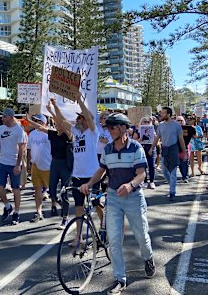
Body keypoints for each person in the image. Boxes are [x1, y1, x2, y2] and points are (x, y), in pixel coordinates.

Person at [80, 113, 155, 294]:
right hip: (113, 197)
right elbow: (101, 170)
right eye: (108, 128)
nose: (109, 131)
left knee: (141, 235)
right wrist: (89, 184)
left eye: (112, 127)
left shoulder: (136, 148)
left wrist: (130, 185)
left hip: (133, 197)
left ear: (123, 128)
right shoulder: (108, 150)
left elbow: (141, 174)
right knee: (113, 240)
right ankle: (119, 279)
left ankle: (148, 257)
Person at [51, 96, 100, 234]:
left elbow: (90, 120)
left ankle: (103, 227)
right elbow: (62, 121)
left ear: (85, 120)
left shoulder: (93, 132)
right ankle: (78, 236)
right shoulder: (76, 132)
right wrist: (55, 106)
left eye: (80, 118)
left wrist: (79, 99)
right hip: (78, 175)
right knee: (78, 207)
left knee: (96, 205)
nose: (77, 120)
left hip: (92, 176)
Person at [0, 108, 27, 225]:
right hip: (3, 162)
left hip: (14, 163)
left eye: (4, 117)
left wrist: (18, 165)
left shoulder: (19, 130)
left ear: (10, 117)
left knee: (16, 189)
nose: (2, 119)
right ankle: (7, 206)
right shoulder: (1, 129)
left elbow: (21, 149)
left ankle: (17, 212)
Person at [43, 100, 72, 229]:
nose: (56, 125)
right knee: (52, 191)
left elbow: (62, 122)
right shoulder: (53, 134)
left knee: (64, 191)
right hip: (54, 164)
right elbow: (40, 128)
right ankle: (60, 204)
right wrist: (29, 121)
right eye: (55, 124)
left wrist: (53, 109)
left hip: (65, 165)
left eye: (58, 123)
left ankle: (64, 218)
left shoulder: (68, 135)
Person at [149, 107, 187, 201]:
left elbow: (181, 140)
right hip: (164, 149)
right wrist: (151, 148)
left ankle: (172, 192)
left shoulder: (176, 125)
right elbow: (157, 138)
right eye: (161, 113)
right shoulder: (160, 125)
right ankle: (172, 185)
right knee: (164, 171)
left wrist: (185, 153)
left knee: (173, 172)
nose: (161, 115)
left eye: (163, 113)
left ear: (169, 114)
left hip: (173, 149)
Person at [25, 114, 52, 223]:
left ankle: (54, 204)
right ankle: (39, 212)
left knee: (52, 190)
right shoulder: (32, 134)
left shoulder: (49, 133)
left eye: (37, 121)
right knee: (37, 189)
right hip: (35, 164)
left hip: (48, 165)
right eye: (34, 120)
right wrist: (28, 163)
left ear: (43, 122)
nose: (35, 122)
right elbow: (29, 150)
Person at [133, 117, 156, 189]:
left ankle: (151, 181)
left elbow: (156, 140)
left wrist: (152, 148)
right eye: (144, 121)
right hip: (141, 149)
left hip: (151, 148)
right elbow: (133, 141)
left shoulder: (152, 130)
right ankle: (144, 181)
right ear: (141, 122)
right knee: (143, 165)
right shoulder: (137, 131)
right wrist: (139, 140)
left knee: (151, 165)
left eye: (147, 122)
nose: (146, 123)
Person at [176, 116, 195, 183]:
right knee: (180, 164)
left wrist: (194, 130)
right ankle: (183, 175)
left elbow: (195, 136)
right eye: (178, 120)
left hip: (185, 148)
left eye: (181, 120)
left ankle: (185, 177)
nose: (180, 122)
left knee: (185, 163)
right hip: (176, 149)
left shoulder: (189, 128)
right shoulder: (173, 128)